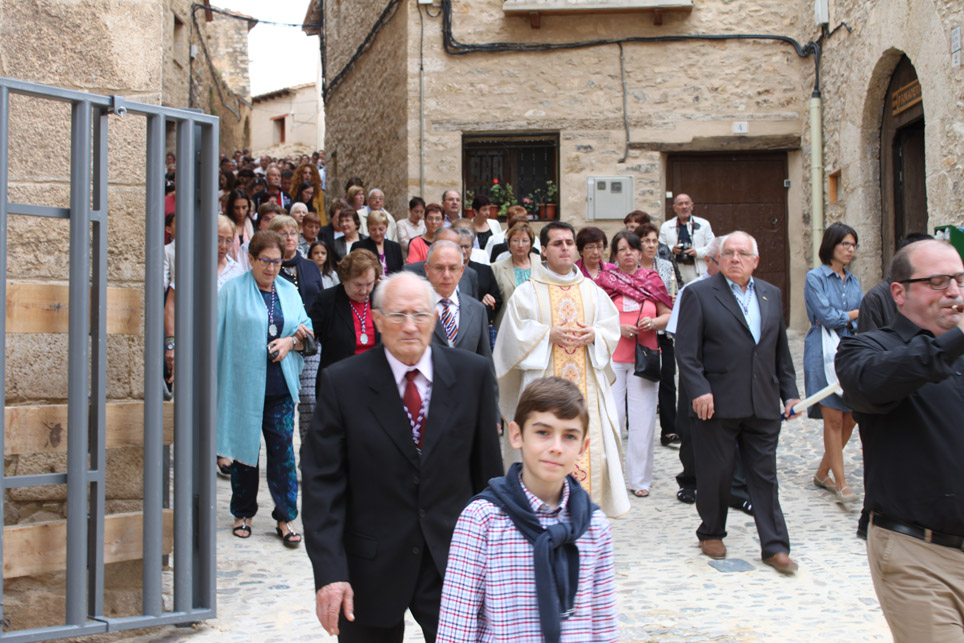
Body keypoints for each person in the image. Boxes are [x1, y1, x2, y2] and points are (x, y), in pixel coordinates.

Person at [301, 271, 504, 641]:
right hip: (368, 569)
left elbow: (487, 480)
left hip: (452, 564)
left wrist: (493, 565)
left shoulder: (472, 375)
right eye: (397, 315)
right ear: (378, 320)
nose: (410, 326)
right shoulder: (342, 382)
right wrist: (330, 573)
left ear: (435, 318)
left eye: (420, 314)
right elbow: (322, 485)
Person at [835, 240, 964, 643]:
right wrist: (955, 337)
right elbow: (871, 384)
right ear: (899, 292)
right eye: (939, 282)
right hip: (919, 554)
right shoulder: (866, 349)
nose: (954, 291)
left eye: (960, 280)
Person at [436, 377, 618, 643]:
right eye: (543, 432)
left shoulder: (594, 526)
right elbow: (456, 624)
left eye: (569, 436)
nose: (556, 447)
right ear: (516, 435)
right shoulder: (483, 520)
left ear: (583, 447)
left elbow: (604, 625)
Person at [675, 231, 801, 573]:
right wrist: (699, 389)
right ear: (718, 258)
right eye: (728, 252)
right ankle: (711, 531)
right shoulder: (699, 294)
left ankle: (775, 546)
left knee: (764, 476)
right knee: (716, 472)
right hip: (716, 402)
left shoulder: (771, 294)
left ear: (755, 261)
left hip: (762, 403)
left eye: (743, 253)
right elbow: (686, 352)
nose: (735, 259)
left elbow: (779, 351)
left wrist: (789, 393)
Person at [494, 221, 629, 518]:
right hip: (541, 389)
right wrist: (546, 335)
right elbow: (511, 338)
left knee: (593, 453)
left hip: (586, 389)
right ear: (543, 250)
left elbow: (610, 328)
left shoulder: (591, 291)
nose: (565, 248)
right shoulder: (527, 292)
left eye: (569, 242)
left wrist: (595, 335)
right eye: (557, 243)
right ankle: (537, 517)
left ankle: (584, 521)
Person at [216, 230, 313, 547]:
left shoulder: (288, 291)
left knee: (282, 452)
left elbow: (308, 331)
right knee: (244, 452)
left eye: (277, 261)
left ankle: (286, 517)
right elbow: (215, 336)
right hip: (243, 387)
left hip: (279, 387)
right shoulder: (232, 291)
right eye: (265, 261)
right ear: (251, 259)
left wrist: (290, 342)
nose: (271, 268)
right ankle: (242, 513)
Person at [595, 231, 672, 497]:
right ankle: (612, 477)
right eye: (622, 249)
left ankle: (639, 480)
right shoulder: (604, 282)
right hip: (613, 358)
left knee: (643, 420)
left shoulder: (653, 280)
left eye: (632, 248)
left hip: (645, 357)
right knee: (613, 418)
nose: (628, 253)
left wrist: (654, 323)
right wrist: (618, 327)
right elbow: (595, 318)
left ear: (640, 252)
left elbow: (668, 314)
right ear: (614, 255)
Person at [804, 222, 863, 504]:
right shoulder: (814, 278)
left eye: (853, 245)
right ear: (831, 245)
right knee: (834, 418)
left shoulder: (853, 281)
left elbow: (859, 317)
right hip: (821, 350)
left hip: (848, 350)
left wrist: (849, 317)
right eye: (845, 244)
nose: (850, 250)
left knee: (851, 417)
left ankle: (822, 473)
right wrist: (852, 314)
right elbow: (825, 317)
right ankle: (841, 483)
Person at [269, 216, 325, 442]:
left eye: (293, 233)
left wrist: (312, 328)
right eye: (283, 233)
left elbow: (320, 301)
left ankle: (309, 454)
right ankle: (284, 451)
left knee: (310, 399)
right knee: (284, 401)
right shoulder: (270, 268)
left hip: (310, 341)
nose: (289, 238)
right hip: (281, 341)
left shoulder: (310, 266)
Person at [307, 249, 381, 415]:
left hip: (375, 384)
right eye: (358, 285)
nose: (364, 290)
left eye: (369, 284)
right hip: (339, 385)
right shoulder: (327, 300)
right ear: (344, 279)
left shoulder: (381, 298)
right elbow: (308, 334)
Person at [638, 222, 680, 447]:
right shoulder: (629, 266)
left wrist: (674, 298)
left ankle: (670, 430)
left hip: (663, 330)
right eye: (646, 241)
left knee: (668, 380)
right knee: (640, 383)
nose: (651, 245)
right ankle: (637, 429)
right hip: (640, 331)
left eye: (654, 241)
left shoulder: (665, 265)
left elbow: (674, 291)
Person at [425, 240, 492, 364]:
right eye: (439, 268)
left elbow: (485, 360)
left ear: (461, 271)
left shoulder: (477, 310)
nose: (446, 275)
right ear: (427, 269)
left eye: (452, 268)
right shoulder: (415, 308)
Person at [451, 223, 502, 331]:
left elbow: (497, 300)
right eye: (460, 247)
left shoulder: (484, 270)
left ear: (472, 247)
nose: (463, 251)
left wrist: (487, 301)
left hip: (479, 325)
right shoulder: (447, 272)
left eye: (467, 247)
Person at [658, 193, 715, 284]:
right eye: (680, 204)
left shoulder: (704, 224)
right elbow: (659, 249)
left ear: (692, 206)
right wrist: (672, 249)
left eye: (686, 203)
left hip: (697, 269)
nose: (684, 206)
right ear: (674, 208)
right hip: (675, 270)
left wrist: (697, 252)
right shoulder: (666, 226)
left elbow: (713, 247)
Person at [491, 222, 538, 330]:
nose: (520, 245)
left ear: (531, 244)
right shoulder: (496, 268)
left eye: (525, 241)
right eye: (515, 240)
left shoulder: (541, 268)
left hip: (535, 326)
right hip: (507, 326)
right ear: (509, 243)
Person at [355, 209, 404, 276]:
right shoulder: (359, 247)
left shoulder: (395, 247)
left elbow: (400, 272)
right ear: (368, 229)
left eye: (381, 229)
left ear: (386, 228)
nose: (377, 233)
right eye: (373, 229)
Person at [225, 188, 254, 262]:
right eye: (236, 208)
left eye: (244, 207)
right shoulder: (224, 226)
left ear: (248, 207)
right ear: (231, 208)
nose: (241, 212)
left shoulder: (253, 225)